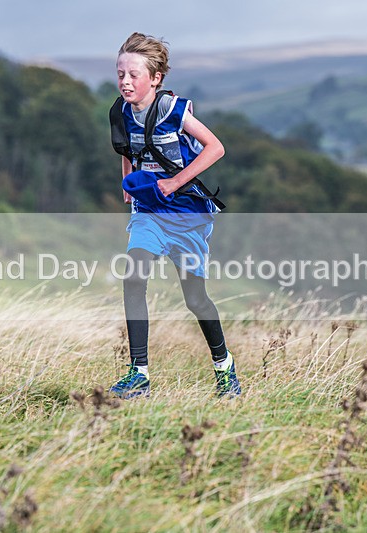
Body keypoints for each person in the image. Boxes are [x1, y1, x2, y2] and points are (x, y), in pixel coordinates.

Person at [109, 32, 241, 399]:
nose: (125, 82)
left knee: (195, 300)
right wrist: (127, 182)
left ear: (155, 78)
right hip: (149, 211)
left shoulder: (173, 110)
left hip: (187, 215)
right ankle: (138, 374)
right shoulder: (120, 111)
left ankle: (224, 366)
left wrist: (175, 182)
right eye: (120, 74)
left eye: (134, 74)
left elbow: (216, 148)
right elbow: (126, 149)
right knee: (133, 277)